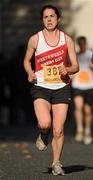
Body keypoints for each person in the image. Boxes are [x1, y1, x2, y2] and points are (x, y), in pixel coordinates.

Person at [23, 4, 79, 176]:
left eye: (52, 16)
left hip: (61, 87)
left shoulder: (67, 39)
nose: (49, 20)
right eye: (46, 17)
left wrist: (67, 70)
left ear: (58, 19)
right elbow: (26, 60)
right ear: (42, 20)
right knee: (45, 123)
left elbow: (75, 66)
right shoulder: (35, 39)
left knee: (59, 129)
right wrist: (30, 72)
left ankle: (56, 163)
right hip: (41, 86)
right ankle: (43, 134)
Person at [71, 36, 93, 145]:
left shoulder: (91, 55)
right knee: (78, 106)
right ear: (78, 44)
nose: (81, 45)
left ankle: (87, 131)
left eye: (83, 43)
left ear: (86, 43)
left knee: (88, 111)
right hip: (78, 85)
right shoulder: (76, 56)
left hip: (89, 86)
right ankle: (79, 129)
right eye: (79, 43)